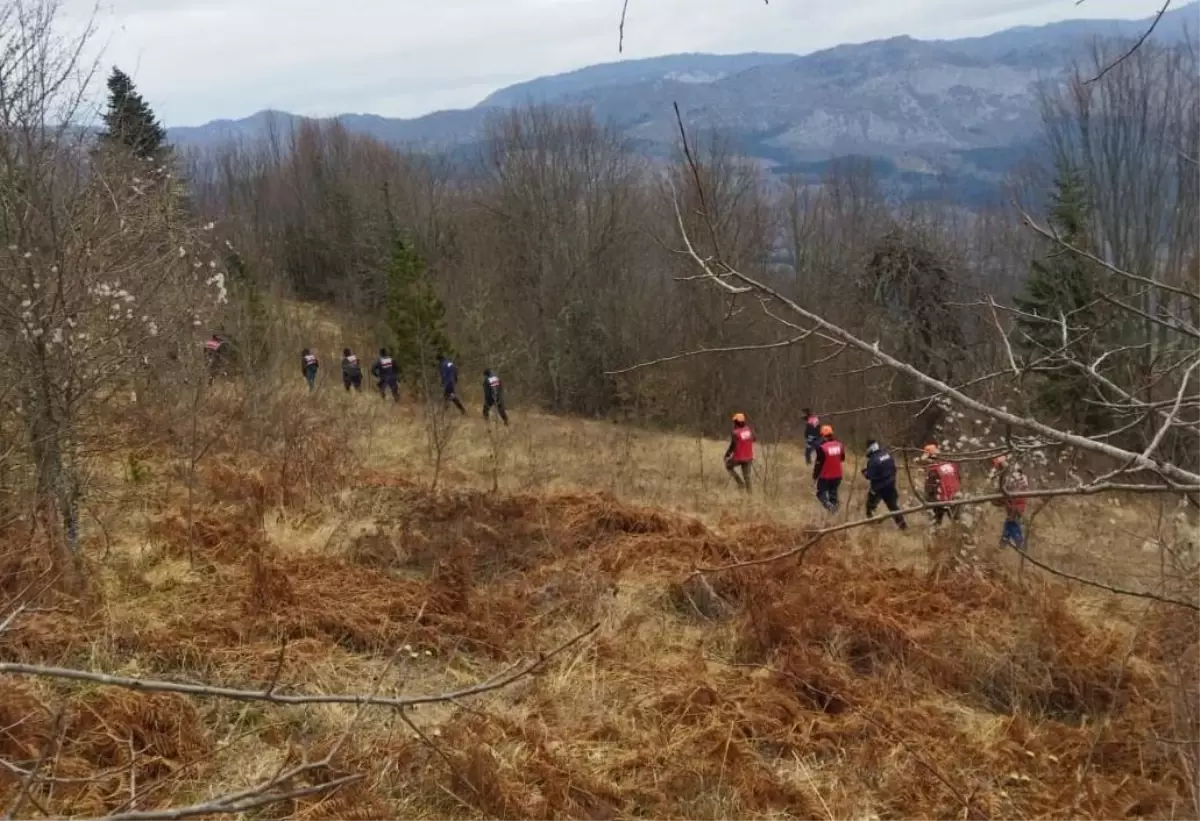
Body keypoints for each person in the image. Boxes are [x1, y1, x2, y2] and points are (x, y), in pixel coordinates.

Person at [862, 439, 906, 529]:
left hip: (878, 487)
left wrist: (865, 473)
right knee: (893, 507)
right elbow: (893, 469)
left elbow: (870, 476)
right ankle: (903, 526)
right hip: (890, 485)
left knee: (870, 506)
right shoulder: (887, 455)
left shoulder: (872, 461)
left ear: (870, 449)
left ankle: (871, 524)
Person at [991, 454, 1029, 550]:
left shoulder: (1011, 477)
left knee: (1012, 524)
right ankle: (1003, 543)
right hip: (1014, 503)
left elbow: (1007, 491)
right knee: (1010, 523)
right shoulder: (1015, 475)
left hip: (1015, 504)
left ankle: (1018, 543)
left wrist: (999, 498)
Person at [922, 443, 962, 525]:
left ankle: (937, 534)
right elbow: (959, 478)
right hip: (955, 496)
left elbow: (930, 489)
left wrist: (928, 501)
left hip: (940, 499)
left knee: (936, 523)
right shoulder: (950, 464)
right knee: (956, 522)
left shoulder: (933, 469)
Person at [812, 424, 844, 513]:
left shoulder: (822, 448)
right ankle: (834, 512)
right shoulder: (840, 445)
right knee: (833, 494)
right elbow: (842, 458)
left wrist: (815, 476)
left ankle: (828, 505)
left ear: (823, 435)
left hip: (825, 475)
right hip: (838, 475)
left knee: (820, 493)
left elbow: (818, 464)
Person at [723, 412, 756, 493]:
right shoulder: (749, 429)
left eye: (734, 421)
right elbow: (754, 439)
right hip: (748, 457)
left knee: (728, 466)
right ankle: (750, 494)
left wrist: (727, 454)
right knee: (747, 477)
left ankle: (740, 483)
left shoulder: (735, 432)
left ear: (736, 422)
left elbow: (733, 445)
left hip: (738, 457)